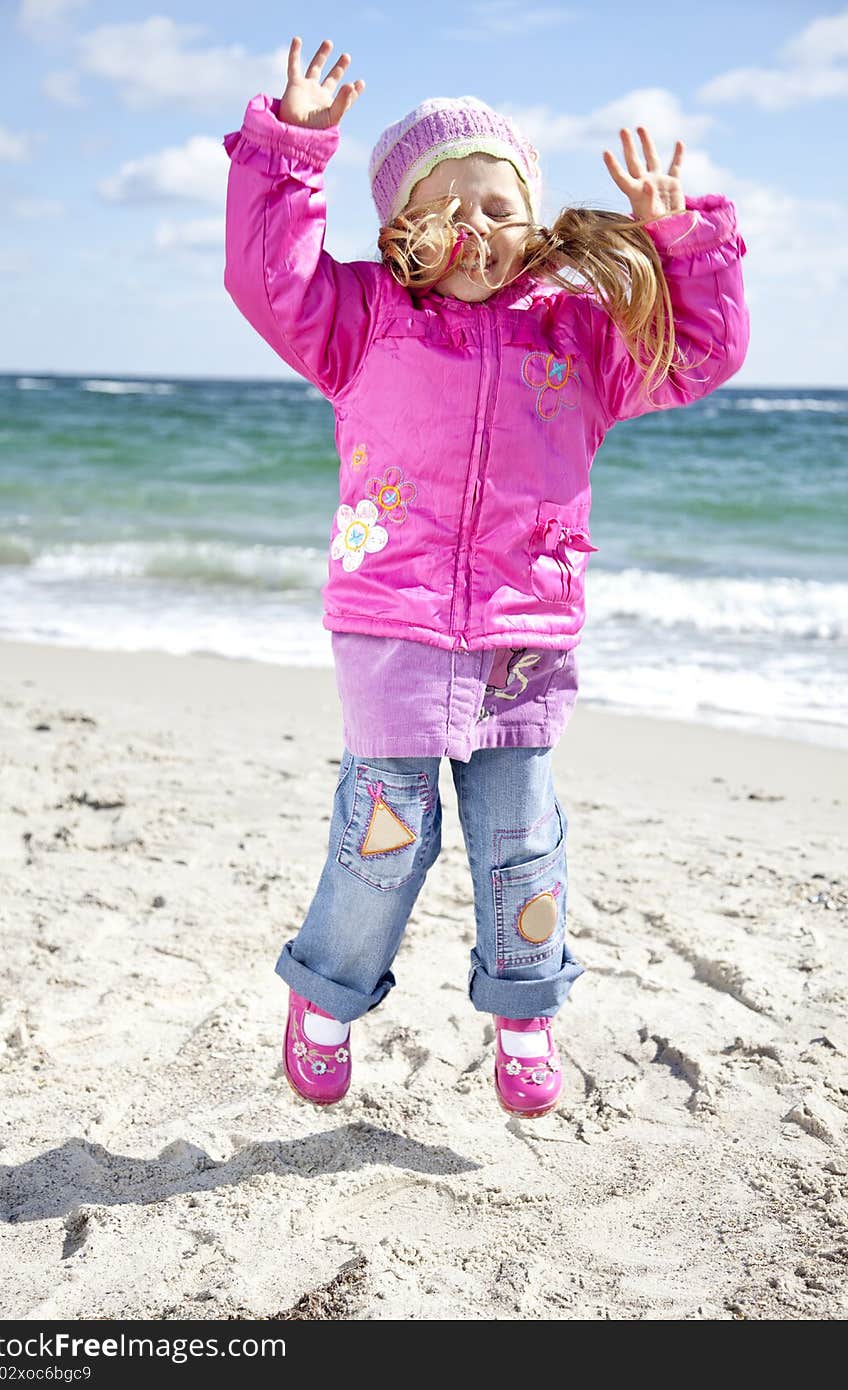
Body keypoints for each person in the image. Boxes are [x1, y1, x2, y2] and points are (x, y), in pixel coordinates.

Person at [222, 36, 750, 1118]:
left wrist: (680, 238)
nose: (475, 228)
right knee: (389, 827)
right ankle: (323, 994)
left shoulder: (580, 339)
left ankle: (525, 1011)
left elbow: (700, 352)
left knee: (522, 838)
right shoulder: (360, 320)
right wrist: (291, 147)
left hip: (526, 628)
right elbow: (265, 274)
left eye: (498, 205)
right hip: (393, 620)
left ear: (534, 219)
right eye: (446, 206)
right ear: (400, 224)